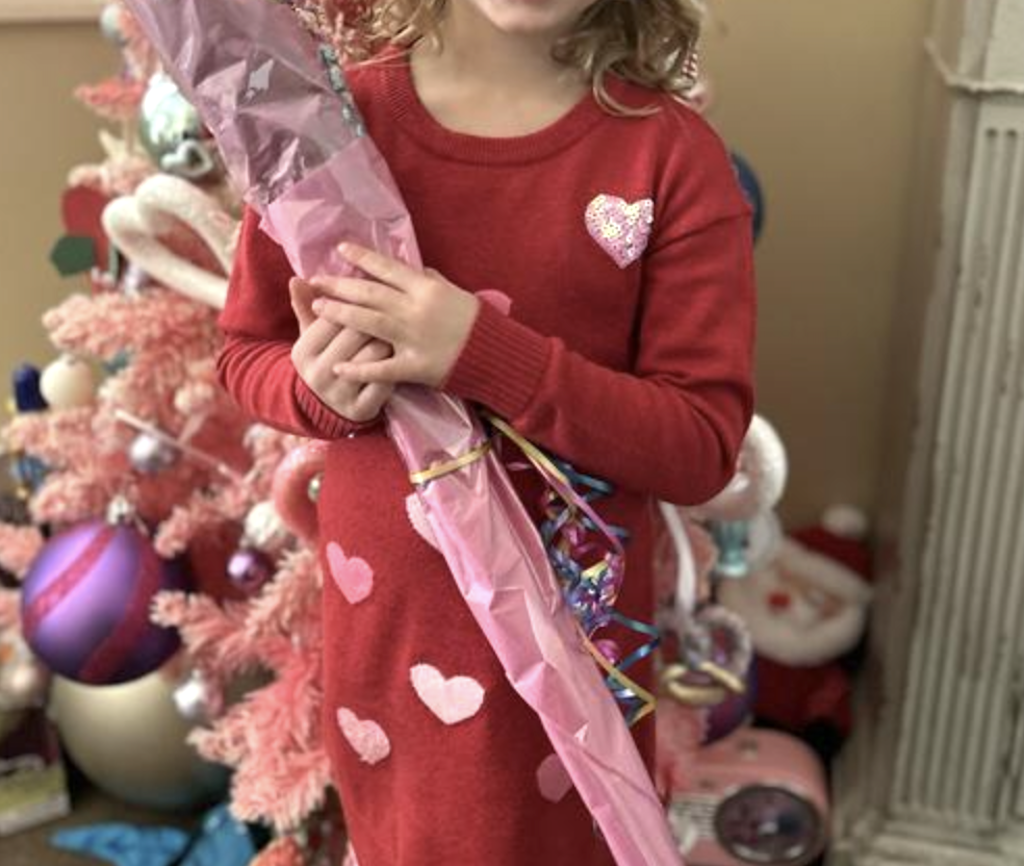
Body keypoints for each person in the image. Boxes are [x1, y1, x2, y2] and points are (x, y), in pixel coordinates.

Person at [216, 0, 756, 862]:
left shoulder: (671, 160)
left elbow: (699, 444)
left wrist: (479, 351)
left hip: (577, 655)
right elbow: (246, 354)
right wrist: (319, 391)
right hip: (390, 652)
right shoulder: (327, 130)